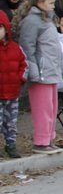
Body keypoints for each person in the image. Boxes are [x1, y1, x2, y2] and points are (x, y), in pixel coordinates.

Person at [13, 0, 63, 155]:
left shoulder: (47, 19)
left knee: (51, 107)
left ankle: (49, 138)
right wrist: (33, 70)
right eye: (50, 3)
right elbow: (27, 48)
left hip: (51, 69)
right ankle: (41, 141)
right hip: (41, 71)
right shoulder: (31, 21)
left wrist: (60, 66)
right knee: (42, 107)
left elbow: (54, 46)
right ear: (40, 2)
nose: (53, 6)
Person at [0, 12, 27, 158]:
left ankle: (10, 145)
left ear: (6, 29)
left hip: (12, 92)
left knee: (10, 122)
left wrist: (20, 78)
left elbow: (24, 64)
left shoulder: (15, 48)